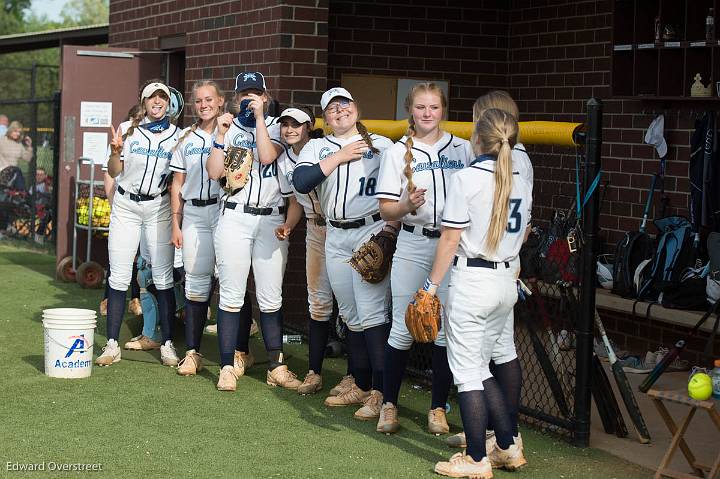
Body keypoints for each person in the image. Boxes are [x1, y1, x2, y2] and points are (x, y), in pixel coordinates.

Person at [430, 109, 531, 477]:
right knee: (480, 366)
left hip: (473, 280)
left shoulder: (468, 177)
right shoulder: (518, 175)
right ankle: (506, 444)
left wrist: (430, 287)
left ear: (477, 139)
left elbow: (451, 238)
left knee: (470, 373)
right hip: (506, 280)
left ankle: (476, 459)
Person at [375, 82, 473, 434]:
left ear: (443, 110)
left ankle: (437, 408)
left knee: (445, 331)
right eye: (420, 107)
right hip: (413, 244)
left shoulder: (463, 148)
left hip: (453, 246)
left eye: (433, 107)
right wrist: (406, 205)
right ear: (410, 111)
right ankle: (388, 404)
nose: (427, 113)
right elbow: (386, 209)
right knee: (403, 328)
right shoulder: (396, 152)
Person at [293, 87, 397, 420]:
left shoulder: (381, 145)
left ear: (356, 107)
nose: (339, 111)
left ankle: (382, 393)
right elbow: (300, 181)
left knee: (372, 315)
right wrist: (339, 156)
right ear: (325, 116)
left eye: (345, 104)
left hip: (370, 230)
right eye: (332, 108)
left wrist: (391, 230)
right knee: (351, 316)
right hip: (334, 234)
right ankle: (362, 384)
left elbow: (401, 185)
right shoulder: (317, 145)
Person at [206, 71, 301, 392]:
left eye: (256, 93)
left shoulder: (276, 126)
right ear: (234, 97)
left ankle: (276, 365)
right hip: (234, 216)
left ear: (266, 95)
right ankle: (227, 366)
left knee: (270, 296)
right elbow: (214, 173)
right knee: (231, 294)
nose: (249, 99)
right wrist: (220, 136)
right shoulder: (227, 127)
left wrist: (260, 116)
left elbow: (266, 155)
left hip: (271, 219)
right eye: (244, 94)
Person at [95, 80, 180, 367]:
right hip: (127, 205)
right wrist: (116, 151)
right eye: (151, 98)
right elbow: (113, 170)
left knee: (163, 277)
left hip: (158, 206)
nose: (157, 102)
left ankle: (167, 343)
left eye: (162, 98)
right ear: (143, 102)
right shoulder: (126, 130)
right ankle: (111, 345)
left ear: (168, 103)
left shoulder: (178, 136)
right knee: (119, 276)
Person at [169, 80, 232, 376]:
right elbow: (177, 184)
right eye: (198, 101)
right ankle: (193, 353)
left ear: (220, 101)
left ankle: (233, 357)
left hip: (225, 211)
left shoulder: (233, 132)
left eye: (209, 99)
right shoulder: (186, 137)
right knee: (195, 283)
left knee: (230, 281)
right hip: (194, 212)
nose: (204, 105)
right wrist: (176, 223)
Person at [275, 106, 334, 395]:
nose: (289, 129)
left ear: (308, 126)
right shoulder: (284, 160)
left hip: (341, 227)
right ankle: (314, 372)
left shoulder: (325, 147)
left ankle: (359, 379)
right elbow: (296, 201)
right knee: (318, 302)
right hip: (313, 228)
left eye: (295, 124)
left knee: (353, 307)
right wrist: (288, 225)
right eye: (285, 124)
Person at [0, 121, 33, 191]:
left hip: (13, 174)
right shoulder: (1, 140)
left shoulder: (19, 144)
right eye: (15, 131)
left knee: (16, 170)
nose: (17, 134)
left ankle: (21, 193)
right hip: (2, 171)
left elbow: (28, 159)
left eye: (19, 132)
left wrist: (29, 146)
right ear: (10, 130)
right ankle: (22, 193)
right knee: (16, 170)